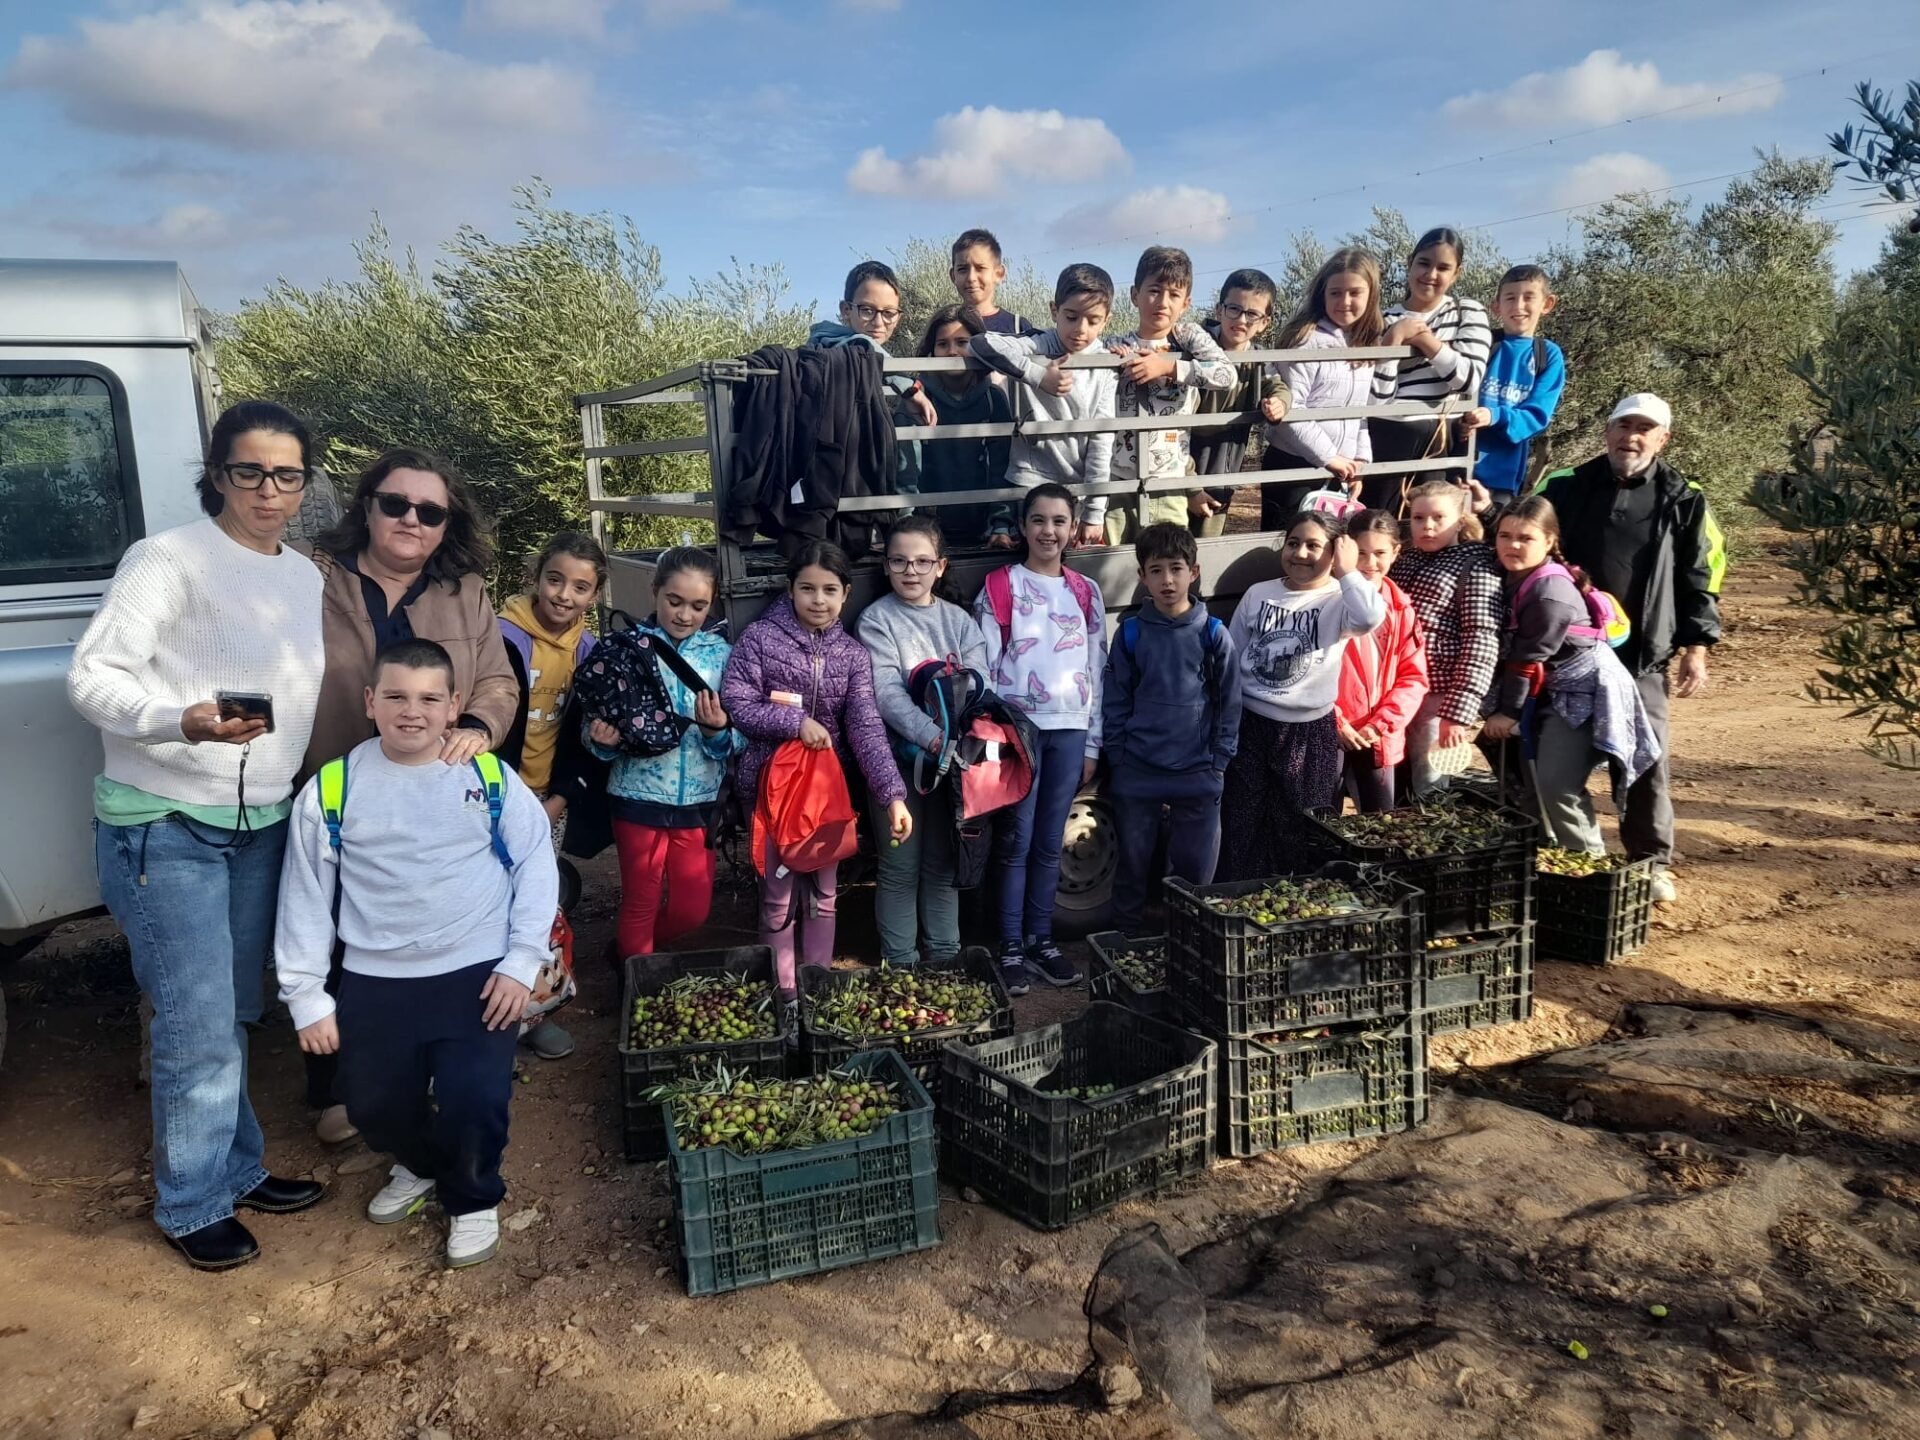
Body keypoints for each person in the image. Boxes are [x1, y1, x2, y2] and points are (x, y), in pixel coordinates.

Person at [68, 399, 329, 1271]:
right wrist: (178, 720)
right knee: (197, 1024)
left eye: (286, 474)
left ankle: (238, 1166)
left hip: (259, 823)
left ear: (303, 485)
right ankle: (189, 1204)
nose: (267, 489)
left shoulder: (302, 576)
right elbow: (93, 678)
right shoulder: (167, 560)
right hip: (165, 824)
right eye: (248, 471)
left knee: (234, 1013)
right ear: (218, 474)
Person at [275, 639, 559, 1271]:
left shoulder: (485, 776)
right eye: (397, 696)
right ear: (371, 701)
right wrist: (307, 995)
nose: (413, 712)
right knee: (374, 1105)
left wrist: (520, 960)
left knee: (474, 1098)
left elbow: (536, 862)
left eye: (431, 698)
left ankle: (472, 1195)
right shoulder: (333, 787)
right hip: (376, 978)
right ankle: (421, 1166)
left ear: (454, 705)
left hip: (478, 973)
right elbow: (305, 896)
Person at [298, 447, 519, 1146]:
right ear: (367, 506)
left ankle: (431, 1064)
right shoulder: (309, 578)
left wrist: (480, 727)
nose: (411, 521)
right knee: (338, 926)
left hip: (430, 792)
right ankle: (336, 1082)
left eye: (430, 512)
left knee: (422, 917)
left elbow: (496, 681)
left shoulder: (464, 590)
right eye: (396, 504)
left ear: (445, 525)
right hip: (334, 783)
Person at [1536, 394, 1724, 902]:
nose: (1631, 437)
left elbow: (1701, 573)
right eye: (1623, 426)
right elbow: (1529, 538)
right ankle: (1566, 853)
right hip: (1569, 657)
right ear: (1607, 431)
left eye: (1644, 429)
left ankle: (1650, 862)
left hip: (1642, 656)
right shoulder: (1566, 485)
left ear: (1663, 439)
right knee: (1549, 762)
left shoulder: (1683, 497)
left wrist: (1696, 646)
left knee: (1646, 760)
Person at [722, 542, 911, 1005]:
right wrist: (794, 723)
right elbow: (736, 701)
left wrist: (893, 795)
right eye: (807, 588)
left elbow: (866, 727)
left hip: (825, 799)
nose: (818, 600)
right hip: (771, 794)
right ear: (790, 590)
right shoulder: (761, 640)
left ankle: (817, 989)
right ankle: (785, 995)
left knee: (825, 896)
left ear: (845, 594)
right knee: (777, 897)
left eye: (829, 590)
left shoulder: (852, 655)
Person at [972, 483, 1105, 993]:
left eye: (1059, 521)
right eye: (1039, 520)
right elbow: (984, 667)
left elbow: (1097, 666)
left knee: (1052, 843)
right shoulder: (1001, 586)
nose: (1049, 531)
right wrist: (997, 736)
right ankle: (1009, 945)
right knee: (1017, 841)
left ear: (1073, 528)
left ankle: (1041, 940)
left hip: (1070, 731)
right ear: (1024, 526)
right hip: (1019, 734)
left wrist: (1093, 742)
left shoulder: (1085, 591)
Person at [585, 548, 741, 960]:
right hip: (636, 798)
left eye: (698, 605)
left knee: (693, 910)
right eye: (674, 601)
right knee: (641, 903)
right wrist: (602, 742)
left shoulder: (723, 657)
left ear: (713, 604)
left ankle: (626, 954)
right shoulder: (623, 650)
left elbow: (740, 735)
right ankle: (636, 985)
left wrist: (717, 731)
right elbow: (591, 724)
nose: (685, 614)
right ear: (654, 591)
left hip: (700, 803)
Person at [1482, 498, 1660, 854]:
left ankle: (1587, 869)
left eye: (1525, 538)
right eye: (1505, 535)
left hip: (1584, 697)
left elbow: (1525, 661)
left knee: (1556, 785)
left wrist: (1508, 713)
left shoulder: (1551, 595)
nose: (1513, 545)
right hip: (1549, 691)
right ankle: (1546, 861)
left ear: (1549, 541)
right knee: (1527, 779)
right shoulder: (1514, 574)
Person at [1219, 512, 1385, 881]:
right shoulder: (1259, 593)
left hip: (1308, 733)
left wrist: (1347, 571)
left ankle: (1293, 894)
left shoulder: (1340, 599)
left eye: (1315, 546)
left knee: (1300, 819)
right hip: (1252, 724)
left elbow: (1372, 616)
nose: (1301, 553)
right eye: (1293, 543)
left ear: (1336, 552)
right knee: (1243, 814)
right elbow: (1232, 656)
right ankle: (1241, 892)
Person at [857, 516, 991, 969]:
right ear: (886, 565)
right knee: (900, 866)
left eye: (921, 561)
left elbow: (979, 682)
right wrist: (935, 739)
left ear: (940, 566)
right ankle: (901, 966)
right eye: (899, 561)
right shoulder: (876, 620)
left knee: (942, 862)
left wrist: (958, 744)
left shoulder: (959, 621)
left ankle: (945, 960)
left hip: (953, 763)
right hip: (899, 763)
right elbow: (887, 695)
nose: (910, 571)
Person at [1102, 523, 1242, 933]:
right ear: (1142, 576)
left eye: (1176, 568)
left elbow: (1230, 701)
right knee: (1132, 864)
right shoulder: (1130, 632)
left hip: (1198, 772)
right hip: (1138, 771)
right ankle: (1126, 942)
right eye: (1156, 570)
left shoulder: (1214, 634)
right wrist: (1119, 757)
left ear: (1194, 573)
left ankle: (1189, 941)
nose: (1167, 580)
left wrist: (1218, 761)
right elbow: (1116, 698)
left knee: (1195, 872)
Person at [970, 263, 1118, 549]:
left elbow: (1102, 439)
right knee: (1028, 561)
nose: (1080, 329)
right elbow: (981, 343)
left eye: (1093, 320)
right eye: (1071, 317)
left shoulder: (1106, 363)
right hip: (1029, 481)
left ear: (1107, 321)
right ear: (1054, 310)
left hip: (1076, 489)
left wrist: (1095, 511)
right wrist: (1039, 376)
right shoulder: (1040, 343)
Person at [1100, 246, 1236, 544]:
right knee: (1112, 564)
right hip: (1118, 481)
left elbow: (1227, 375)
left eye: (1174, 294)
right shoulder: (1114, 343)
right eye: (1154, 290)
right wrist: (1110, 360)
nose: (1162, 302)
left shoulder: (1187, 337)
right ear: (1135, 295)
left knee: (1169, 564)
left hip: (1170, 484)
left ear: (1185, 303)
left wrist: (1169, 366)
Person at [1389, 479, 1504, 798]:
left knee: (1430, 784)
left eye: (1438, 518)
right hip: (1395, 690)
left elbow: (1480, 641)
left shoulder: (1476, 564)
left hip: (1438, 693)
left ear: (1459, 518)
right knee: (1394, 779)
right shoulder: (1405, 559)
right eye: (1418, 518)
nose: (1427, 526)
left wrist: (1458, 713)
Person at [1260, 249, 1386, 529]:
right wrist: (1330, 457)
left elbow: (1360, 412)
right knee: (1286, 549)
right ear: (1322, 295)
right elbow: (1294, 408)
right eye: (1335, 293)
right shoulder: (1305, 341)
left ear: (1371, 295)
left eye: (1355, 293)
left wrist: (1359, 461)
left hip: (1338, 469)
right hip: (1294, 467)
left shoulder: (1365, 346)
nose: (1345, 301)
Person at [1369, 227, 1493, 511]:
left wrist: (1425, 340)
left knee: (1433, 528)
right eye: (1424, 263)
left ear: (1457, 273)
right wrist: (1395, 337)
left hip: (1441, 443)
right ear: (1409, 262)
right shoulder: (1382, 319)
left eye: (1443, 267)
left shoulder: (1467, 312)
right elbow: (1378, 400)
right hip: (1386, 439)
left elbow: (1468, 380)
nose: (1431, 274)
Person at [1334, 509, 1430, 813]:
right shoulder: (1328, 599)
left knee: (1379, 819)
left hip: (1376, 734)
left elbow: (1413, 677)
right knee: (1323, 817)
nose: (1370, 563)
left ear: (1396, 552)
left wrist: (1381, 724)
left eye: (1379, 553)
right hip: (1332, 730)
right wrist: (1334, 720)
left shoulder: (1402, 609)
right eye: (1360, 553)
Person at [897, 303, 1013, 548]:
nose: (952, 351)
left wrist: (1001, 524)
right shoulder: (915, 400)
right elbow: (905, 469)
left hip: (983, 530)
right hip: (925, 531)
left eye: (962, 342)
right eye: (942, 344)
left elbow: (1002, 469)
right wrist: (905, 525)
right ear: (932, 350)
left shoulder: (993, 400)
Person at [1190, 268, 1290, 537]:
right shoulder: (1192, 348)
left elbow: (1277, 385)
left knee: (1207, 541)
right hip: (1182, 459)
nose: (1241, 320)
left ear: (1265, 322)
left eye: (1252, 314)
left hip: (1224, 465)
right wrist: (1188, 484)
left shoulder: (1257, 360)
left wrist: (1280, 402)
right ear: (1219, 309)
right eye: (1234, 309)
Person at [1460, 265, 1567, 507]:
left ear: (1547, 304)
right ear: (1496, 305)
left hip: (1501, 480)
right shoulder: (1483, 343)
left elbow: (1537, 416)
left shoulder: (1547, 355)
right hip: (1457, 468)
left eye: (1529, 297)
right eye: (1510, 298)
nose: (1518, 306)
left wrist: (1494, 416)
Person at [950, 229, 1038, 335]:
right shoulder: (945, 327)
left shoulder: (1018, 327)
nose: (971, 277)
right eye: (962, 269)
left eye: (980, 268)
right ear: (953, 275)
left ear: (999, 274)